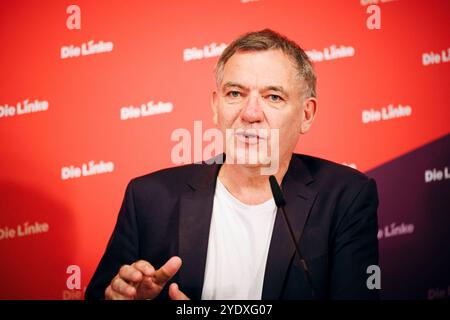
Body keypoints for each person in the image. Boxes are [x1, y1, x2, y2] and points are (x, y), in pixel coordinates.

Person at [85, 29, 379, 300]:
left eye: (273, 96)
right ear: (216, 106)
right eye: (235, 93)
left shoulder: (347, 198)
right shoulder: (149, 197)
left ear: (306, 114)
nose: (250, 113)